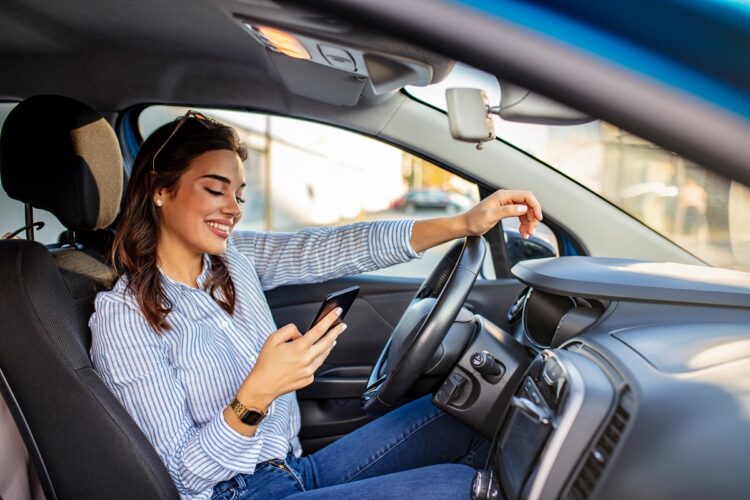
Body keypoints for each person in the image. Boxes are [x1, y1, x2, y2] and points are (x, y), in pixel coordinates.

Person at [89, 111, 543, 500]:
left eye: (239, 195)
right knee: (459, 488)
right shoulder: (124, 316)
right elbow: (180, 476)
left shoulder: (232, 260)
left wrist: (462, 223)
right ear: (160, 190)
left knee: (470, 410)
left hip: (292, 470)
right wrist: (258, 393)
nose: (233, 208)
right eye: (215, 189)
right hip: (232, 493)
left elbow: (334, 246)